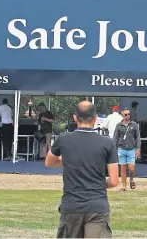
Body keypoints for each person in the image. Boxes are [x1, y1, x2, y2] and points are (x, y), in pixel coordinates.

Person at [45, 101, 119, 238]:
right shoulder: (107, 143)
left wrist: (68, 159)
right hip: (97, 205)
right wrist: (96, 184)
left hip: (71, 205)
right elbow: (114, 181)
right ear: (95, 118)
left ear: (75, 118)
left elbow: (49, 162)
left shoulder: (63, 139)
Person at [113, 108, 141, 191]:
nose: (128, 116)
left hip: (131, 149)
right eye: (126, 114)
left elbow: (138, 137)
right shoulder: (119, 125)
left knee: (131, 168)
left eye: (129, 114)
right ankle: (124, 186)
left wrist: (138, 149)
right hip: (121, 149)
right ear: (122, 115)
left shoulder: (134, 125)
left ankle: (131, 179)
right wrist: (114, 149)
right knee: (122, 168)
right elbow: (115, 138)